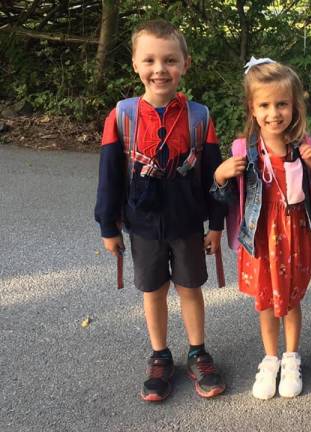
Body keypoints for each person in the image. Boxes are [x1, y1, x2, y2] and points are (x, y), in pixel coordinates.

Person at [94, 19, 227, 402]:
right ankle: (160, 355)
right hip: (143, 225)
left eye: (170, 60)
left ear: (185, 64)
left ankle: (198, 352)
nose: (160, 69)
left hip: (187, 223)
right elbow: (109, 177)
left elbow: (213, 176)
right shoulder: (121, 117)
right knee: (153, 290)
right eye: (149, 60)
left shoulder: (200, 117)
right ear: (135, 63)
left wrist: (215, 224)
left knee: (190, 288)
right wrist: (108, 227)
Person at [211, 58, 311, 400]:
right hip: (261, 241)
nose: (274, 113)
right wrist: (221, 175)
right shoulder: (244, 151)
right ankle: (270, 359)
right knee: (266, 303)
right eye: (264, 105)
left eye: (281, 104)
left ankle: (292, 357)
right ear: (252, 108)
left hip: (296, 238)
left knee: (291, 301)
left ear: (295, 106)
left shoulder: (304, 144)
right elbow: (223, 199)